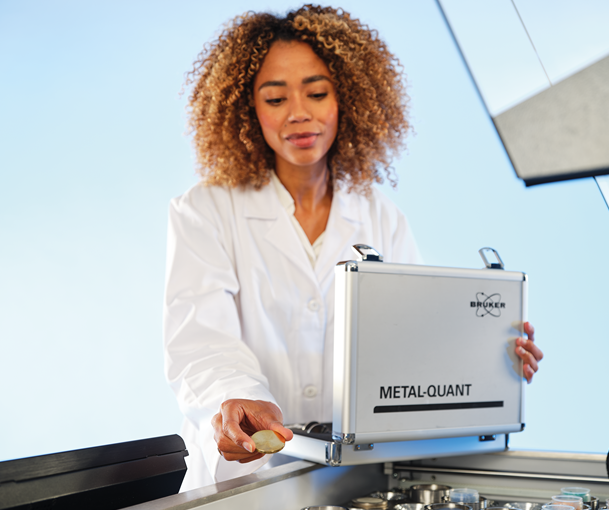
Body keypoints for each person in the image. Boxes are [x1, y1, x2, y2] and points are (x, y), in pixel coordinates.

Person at [163, 5, 544, 491]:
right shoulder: (205, 210)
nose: (299, 112)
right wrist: (238, 399)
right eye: (275, 98)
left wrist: (488, 359)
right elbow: (200, 341)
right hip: (242, 480)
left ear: (349, 98)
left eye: (317, 93)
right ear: (247, 108)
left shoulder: (382, 216)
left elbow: (413, 344)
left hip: (353, 481)